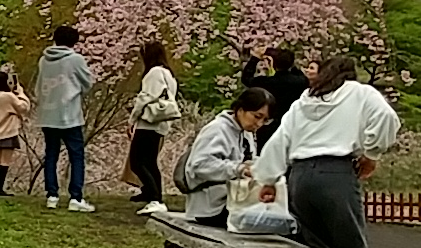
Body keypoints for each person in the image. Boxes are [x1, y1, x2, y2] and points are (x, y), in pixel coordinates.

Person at [255, 56, 401, 248]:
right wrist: (371, 153)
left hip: (299, 176)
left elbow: (280, 139)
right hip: (335, 174)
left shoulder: (304, 102)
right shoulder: (360, 93)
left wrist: (268, 178)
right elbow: (387, 119)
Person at [176, 88, 272, 227]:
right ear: (240, 110)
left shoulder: (246, 133)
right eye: (257, 117)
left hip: (234, 199)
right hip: (211, 207)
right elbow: (200, 165)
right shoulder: (217, 129)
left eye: (265, 120)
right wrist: (238, 169)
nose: (259, 124)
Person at [34, 24, 95, 212]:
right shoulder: (75, 59)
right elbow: (88, 83)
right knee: (76, 155)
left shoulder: (44, 60)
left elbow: (38, 88)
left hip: (48, 113)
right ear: (74, 42)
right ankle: (75, 197)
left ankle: (51, 195)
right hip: (69, 114)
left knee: (51, 154)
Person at [127, 39, 181, 215]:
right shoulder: (168, 74)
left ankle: (155, 199)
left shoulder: (154, 73)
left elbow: (145, 97)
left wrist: (132, 119)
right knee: (150, 162)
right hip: (161, 123)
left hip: (149, 123)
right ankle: (152, 193)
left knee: (137, 162)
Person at [241, 45, 309, 152]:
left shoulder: (268, 82)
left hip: (270, 126)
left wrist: (255, 59)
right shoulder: (301, 82)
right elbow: (298, 73)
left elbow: (246, 78)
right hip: (294, 124)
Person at [0, 69, 30, 195]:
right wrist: (20, 93)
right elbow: (23, 107)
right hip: (8, 132)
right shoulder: (8, 96)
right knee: (5, 160)